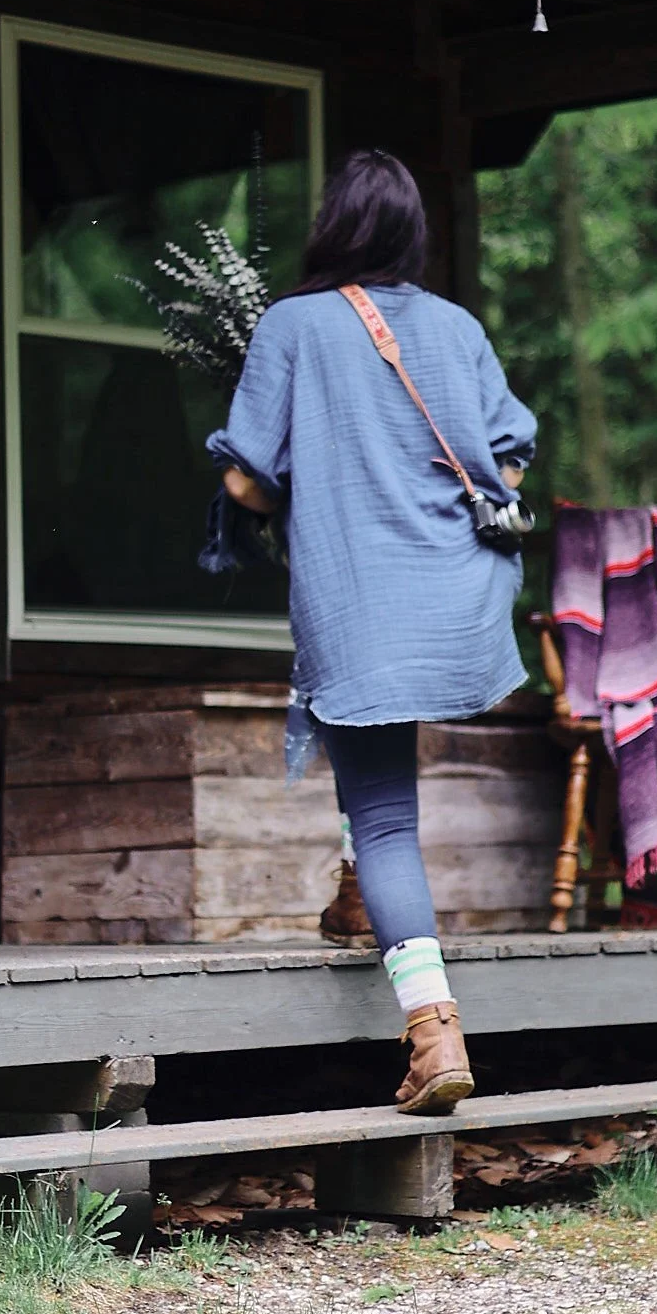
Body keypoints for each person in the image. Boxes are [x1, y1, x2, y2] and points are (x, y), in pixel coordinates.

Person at [208, 149, 537, 1113]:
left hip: (360, 599)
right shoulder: (459, 327)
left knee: (387, 812)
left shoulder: (293, 325)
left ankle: (433, 1030)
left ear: (333, 226)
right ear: (410, 235)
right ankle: (360, 897)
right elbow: (509, 462)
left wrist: (301, 485)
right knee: (382, 778)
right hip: (454, 595)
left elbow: (244, 478)